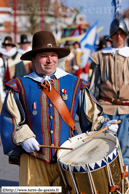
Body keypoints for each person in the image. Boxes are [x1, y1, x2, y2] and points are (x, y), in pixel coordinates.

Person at [0, 31, 118, 193]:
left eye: (53, 55)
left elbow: (92, 115)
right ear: (33, 59)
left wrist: (105, 125)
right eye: (44, 55)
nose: (50, 60)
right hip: (34, 158)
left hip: (69, 158)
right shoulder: (19, 86)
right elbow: (10, 119)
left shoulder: (74, 83)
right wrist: (24, 137)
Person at [89, 16, 129, 172]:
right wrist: (93, 111)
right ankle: (106, 182)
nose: (118, 37)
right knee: (105, 148)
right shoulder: (100, 56)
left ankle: (125, 183)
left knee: (126, 148)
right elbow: (93, 86)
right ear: (110, 36)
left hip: (127, 109)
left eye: (121, 33)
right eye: (115, 34)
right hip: (106, 108)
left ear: (125, 35)